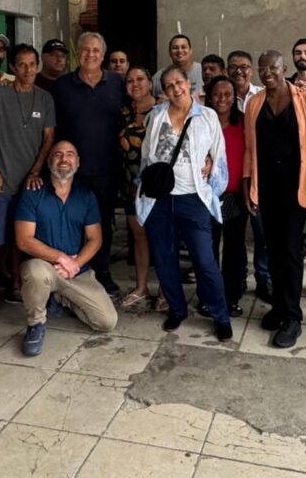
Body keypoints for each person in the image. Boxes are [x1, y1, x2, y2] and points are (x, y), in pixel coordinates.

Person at [138, 66, 233, 341]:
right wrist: (144, 190)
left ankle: (220, 315)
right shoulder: (156, 115)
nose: (175, 88)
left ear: (188, 83)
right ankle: (177, 309)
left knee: (204, 261)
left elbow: (219, 156)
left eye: (178, 82)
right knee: (164, 259)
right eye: (168, 85)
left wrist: (211, 192)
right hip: (159, 200)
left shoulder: (208, 116)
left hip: (193, 198)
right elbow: (147, 155)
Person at [243, 50, 306, 349]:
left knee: (290, 250)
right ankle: (279, 306)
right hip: (267, 186)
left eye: (273, 67)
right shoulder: (254, 103)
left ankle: (292, 317)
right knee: (273, 248)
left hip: (296, 187)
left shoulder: (305, 98)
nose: (267, 73)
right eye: (262, 68)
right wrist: (248, 184)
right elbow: (250, 148)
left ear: (284, 68)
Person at [15, 142, 119, 356]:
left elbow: (95, 239)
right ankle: (36, 324)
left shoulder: (86, 196)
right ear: (49, 161)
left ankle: (59, 298)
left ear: (78, 163)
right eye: (58, 155)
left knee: (106, 322)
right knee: (35, 271)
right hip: (46, 268)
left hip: (77, 271)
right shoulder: (33, 193)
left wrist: (75, 264)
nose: (64, 159)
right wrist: (61, 258)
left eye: (70, 155)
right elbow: (24, 240)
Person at [0, 43, 55, 327]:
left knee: (21, 238)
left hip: (31, 182)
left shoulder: (44, 98)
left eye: (32, 64)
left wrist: (36, 171)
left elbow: (49, 138)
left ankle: (15, 284)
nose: (27, 70)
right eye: (21, 64)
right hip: (2, 179)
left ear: (38, 66)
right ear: (12, 67)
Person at [52, 32, 126, 296]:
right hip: (69, 170)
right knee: (69, 222)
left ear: (103, 55)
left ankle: (102, 272)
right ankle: (72, 272)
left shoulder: (117, 83)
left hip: (107, 169)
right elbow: (52, 128)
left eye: (95, 50)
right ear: (77, 53)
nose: (90, 55)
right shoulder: (61, 86)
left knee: (102, 223)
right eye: (85, 50)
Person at [226, 50, 270, 302]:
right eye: (233, 67)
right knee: (234, 235)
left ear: (251, 70)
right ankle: (238, 277)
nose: (238, 71)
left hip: (259, 175)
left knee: (262, 233)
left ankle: (264, 279)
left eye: (243, 67)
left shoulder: (263, 95)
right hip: (231, 178)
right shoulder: (221, 97)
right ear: (227, 71)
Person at [204, 75, 248, 317]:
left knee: (234, 249)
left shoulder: (244, 121)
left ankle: (231, 297)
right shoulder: (201, 121)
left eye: (227, 94)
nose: (222, 99)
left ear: (235, 97)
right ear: (210, 97)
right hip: (205, 194)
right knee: (207, 248)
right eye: (217, 94)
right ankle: (209, 296)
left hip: (235, 195)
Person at [118, 66, 158, 307]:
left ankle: (166, 290)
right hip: (130, 186)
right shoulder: (123, 113)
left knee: (162, 238)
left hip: (156, 185)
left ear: (150, 83)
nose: (135, 84)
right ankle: (141, 287)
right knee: (139, 236)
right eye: (130, 80)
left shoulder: (163, 109)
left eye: (140, 79)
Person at [152, 34, 204, 98]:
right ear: (170, 53)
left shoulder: (204, 70)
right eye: (175, 48)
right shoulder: (158, 77)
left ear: (190, 51)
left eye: (183, 47)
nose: (179, 51)